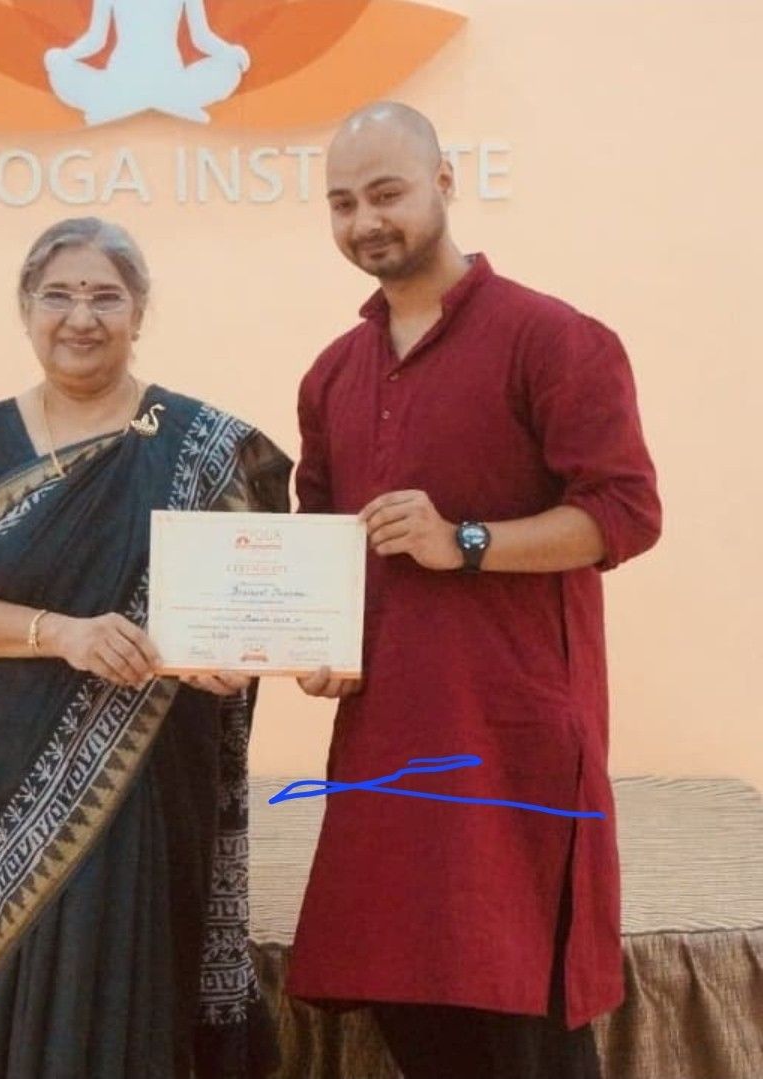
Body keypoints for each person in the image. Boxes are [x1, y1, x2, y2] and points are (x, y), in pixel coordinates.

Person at [285, 102, 662, 1079]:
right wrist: (315, 643)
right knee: (413, 1014)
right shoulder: (331, 374)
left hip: (512, 746)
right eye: (341, 203)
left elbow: (624, 512)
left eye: (386, 193)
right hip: (383, 744)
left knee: (522, 1022)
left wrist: (465, 540)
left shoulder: (553, 339)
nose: (365, 220)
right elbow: (321, 545)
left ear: (444, 184)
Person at [0, 217, 288, 1079]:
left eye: (105, 297)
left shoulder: (199, 442)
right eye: (58, 295)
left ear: (138, 312)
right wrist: (62, 633)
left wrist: (234, 649)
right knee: (16, 986)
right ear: (26, 309)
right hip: (6, 770)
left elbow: (251, 595)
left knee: (140, 980)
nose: (80, 317)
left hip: (154, 766)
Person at [44, 0, 250, 125]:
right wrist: (65, 56)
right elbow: (96, 39)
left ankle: (158, 103)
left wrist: (230, 53)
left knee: (229, 68)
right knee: (61, 68)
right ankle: (166, 104)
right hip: (121, 82)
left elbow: (201, 37)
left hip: (169, 80)